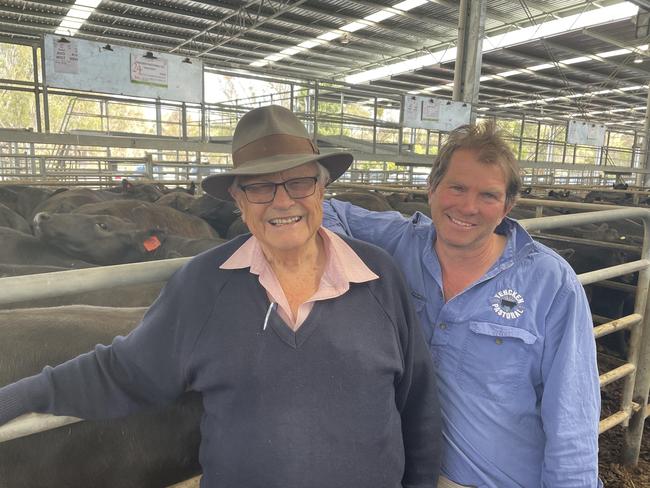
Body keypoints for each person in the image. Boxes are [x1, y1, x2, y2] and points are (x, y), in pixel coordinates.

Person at [0, 105, 442, 488]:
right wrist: (17, 398)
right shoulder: (204, 285)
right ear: (238, 199)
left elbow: (417, 401)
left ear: (322, 188)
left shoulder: (378, 275)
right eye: (260, 187)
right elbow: (123, 371)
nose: (282, 202)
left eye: (299, 183)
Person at [323, 122, 602, 488]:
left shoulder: (550, 283)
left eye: (488, 195)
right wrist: (344, 281)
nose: (468, 207)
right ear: (432, 189)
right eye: (456, 187)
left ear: (508, 205)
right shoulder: (402, 240)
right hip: (405, 472)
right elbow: (329, 210)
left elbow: (572, 418)